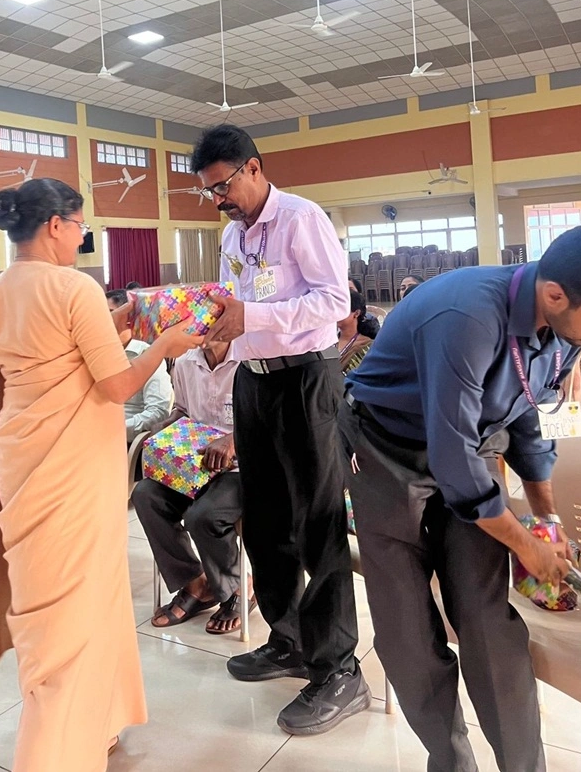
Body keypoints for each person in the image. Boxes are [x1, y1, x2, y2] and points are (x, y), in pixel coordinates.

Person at [0, 178, 201, 771]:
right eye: (80, 225)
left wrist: (119, 324)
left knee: (61, 599)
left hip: (23, 455)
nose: (82, 237)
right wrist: (163, 344)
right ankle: (54, 751)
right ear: (55, 225)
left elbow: (59, 357)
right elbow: (116, 384)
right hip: (73, 466)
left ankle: (96, 720)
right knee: (74, 607)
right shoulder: (73, 287)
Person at [338, 225, 581, 772]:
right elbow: (454, 462)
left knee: (485, 615)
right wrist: (525, 545)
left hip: (472, 439)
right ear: (555, 295)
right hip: (386, 446)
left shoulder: (567, 327)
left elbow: (527, 420)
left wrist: (545, 522)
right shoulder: (467, 317)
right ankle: (452, 762)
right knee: (407, 624)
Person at [190, 124, 367, 736]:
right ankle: (288, 639)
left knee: (317, 521)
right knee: (264, 518)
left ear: (254, 168)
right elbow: (236, 304)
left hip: (306, 380)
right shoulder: (232, 234)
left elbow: (333, 303)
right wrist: (222, 335)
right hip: (255, 382)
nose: (219, 199)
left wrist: (254, 316)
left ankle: (340, 667)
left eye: (223, 186)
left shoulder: (301, 219)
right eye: (209, 191)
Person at [133, 339, 255, 635]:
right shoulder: (186, 360)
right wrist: (166, 428)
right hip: (195, 465)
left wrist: (232, 440)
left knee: (204, 515)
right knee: (146, 495)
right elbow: (183, 410)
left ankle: (240, 587)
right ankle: (196, 584)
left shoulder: (251, 359)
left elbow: (269, 417)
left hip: (242, 465)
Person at [106, 289, 172, 442]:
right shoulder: (98, 355)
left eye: (110, 314)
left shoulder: (148, 354)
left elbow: (158, 412)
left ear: (128, 318)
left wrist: (115, 430)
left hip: (123, 440)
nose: (104, 322)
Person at [338, 291, 373, 374]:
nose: (335, 314)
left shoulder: (366, 346)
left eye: (341, 309)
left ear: (356, 313)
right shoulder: (327, 341)